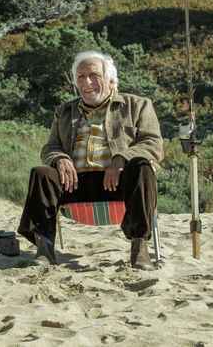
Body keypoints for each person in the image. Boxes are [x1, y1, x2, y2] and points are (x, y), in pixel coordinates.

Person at [17, 50, 164, 266]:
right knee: (42, 174)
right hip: (75, 183)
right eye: (81, 77)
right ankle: (44, 247)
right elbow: (50, 147)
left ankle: (139, 247)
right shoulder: (64, 111)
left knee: (142, 166)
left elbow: (153, 144)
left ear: (111, 80)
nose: (87, 82)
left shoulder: (138, 105)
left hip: (119, 183)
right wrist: (59, 158)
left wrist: (122, 158)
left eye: (94, 75)